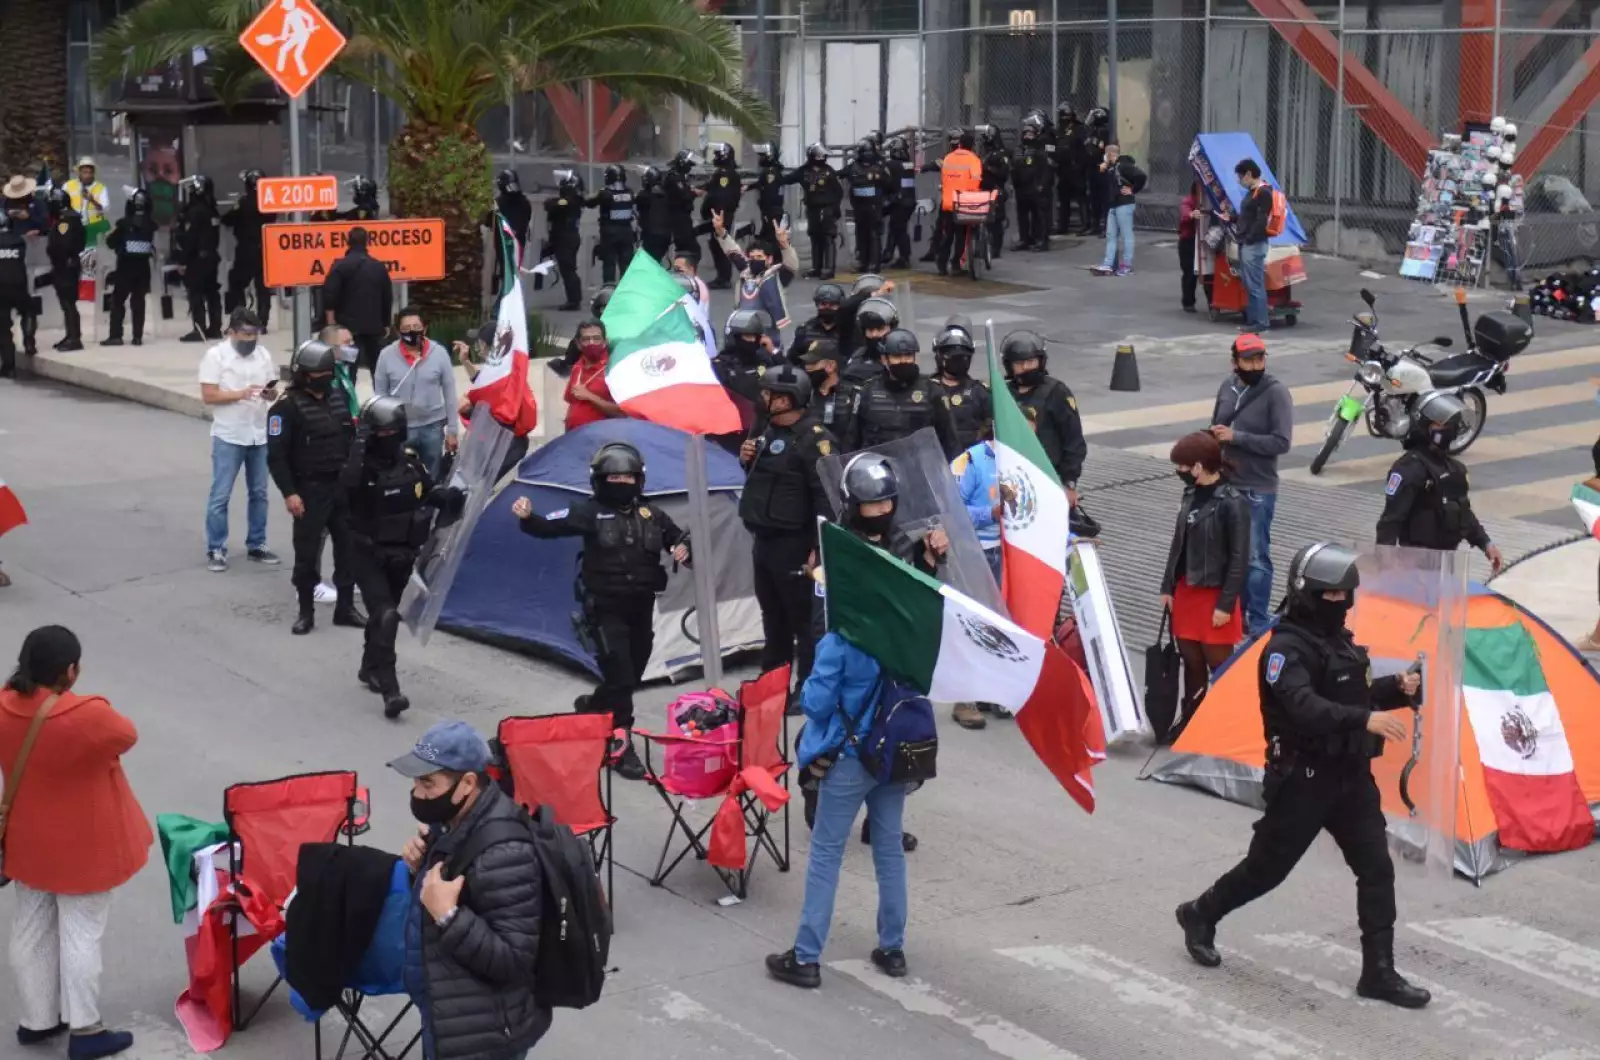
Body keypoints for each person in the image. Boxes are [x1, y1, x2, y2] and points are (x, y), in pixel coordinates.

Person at [1175, 542, 1432, 1010]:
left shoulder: (1339, 641)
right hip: (1304, 779)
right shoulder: (1285, 649)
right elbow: (1305, 707)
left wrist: (1396, 688)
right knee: (1266, 870)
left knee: (1376, 868)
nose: (1338, 603)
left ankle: (1378, 972)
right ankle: (1201, 912)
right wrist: (1364, 719)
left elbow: (1352, 692)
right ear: (1305, 593)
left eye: (1343, 595)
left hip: (1350, 776)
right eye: (1328, 595)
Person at [767, 455, 934, 991]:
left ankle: (806, 957)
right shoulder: (908, 634)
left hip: (845, 755)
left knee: (825, 856)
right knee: (888, 850)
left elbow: (816, 703)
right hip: (893, 749)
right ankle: (893, 947)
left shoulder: (840, 639)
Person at [2, 625, 152, 1059]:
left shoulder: (4, 706)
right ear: (70, 670)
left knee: (31, 927)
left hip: (28, 842)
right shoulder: (87, 715)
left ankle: (37, 1019)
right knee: (81, 934)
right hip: (84, 848)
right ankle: (85, 1029)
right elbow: (127, 735)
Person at [513, 442, 691, 779]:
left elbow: (678, 538)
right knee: (621, 675)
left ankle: (594, 705)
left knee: (630, 676)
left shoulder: (652, 514)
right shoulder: (589, 512)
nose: (622, 483)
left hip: (642, 607)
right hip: (605, 608)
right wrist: (528, 517)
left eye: (627, 477)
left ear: (638, 480)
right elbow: (550, 525)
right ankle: (621, 744)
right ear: (600, 480)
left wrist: (684, 548)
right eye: (614, 478)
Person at [389, 720, 550, 1060]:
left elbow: (514, 960)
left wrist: (449, 916)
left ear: (467, 783)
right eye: (416, 782)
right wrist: (420, 868)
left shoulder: (504, 853)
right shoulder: (455, 822)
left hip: (484, 1036)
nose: (418, 794)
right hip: (452, 1013)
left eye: (428, 783)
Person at [342, 397, 460, 717]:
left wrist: (449, 497)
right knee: (385, 615)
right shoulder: (359, 467)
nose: (387, 438)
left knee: (386, 617)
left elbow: (426, 491)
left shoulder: (409, 463)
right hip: (367, 553)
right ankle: (390, 690)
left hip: (403, 554)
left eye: (391, 432)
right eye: (381, 433)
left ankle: (369, 667)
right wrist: (359, 443)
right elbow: (347, 487)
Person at [739, 363, 836, 706]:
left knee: (802, 621)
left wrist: (819, 549)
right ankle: (772, 681)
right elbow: (764, 480)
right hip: (764, 541)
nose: (762, 398)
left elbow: (827, 498)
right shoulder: (766, 430)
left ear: (786, 399)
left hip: (796, 544)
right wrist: (746, 459)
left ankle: (806, 686)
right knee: (773, 616)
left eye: (769, 394)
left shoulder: (816, 440)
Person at [268, 339, 363, 635]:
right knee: (307, 553)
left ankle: (345, 608)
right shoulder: (285, 408)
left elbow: (350, 440)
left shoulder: (337, 398)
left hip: (341, 487)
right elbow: (276, 457)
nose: (321, 378)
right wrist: (289, 493)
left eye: (325, 373)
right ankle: (306, 613)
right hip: (309, 490)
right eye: (315, 374)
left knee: (348, 548)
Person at [1158, 432, 1251, 733]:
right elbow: (1178, 544)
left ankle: (1225, 726)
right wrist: (1167, 585)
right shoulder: (1189, 495)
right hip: (1187, 590)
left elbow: (1239, 559)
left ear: (1198, 466)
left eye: (1182, 466)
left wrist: (1226, 605)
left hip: (1215, 595)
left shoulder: (1233, 503)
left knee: (1219, 668)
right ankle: (1191, 719)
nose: (1180, 472)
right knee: (1191, 663)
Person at [1209, 333, 1293, 636]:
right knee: (1230, 554)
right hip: (1227, 483)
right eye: (1249, 360)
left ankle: (1257, 620)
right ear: (1235, 362)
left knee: (1256, 556)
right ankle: (1236, 613)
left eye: (1260, 359)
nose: (1256, 365)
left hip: (1258, 487)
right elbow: (1216, 425)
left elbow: (1281, 442)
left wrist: (1237, 437)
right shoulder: (1227, 387)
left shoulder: (1276, 393)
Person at [1375, 391, 1504, 574]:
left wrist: (1486, 544)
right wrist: (1386, 565)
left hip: (1446, 567)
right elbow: (1390, 521)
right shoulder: (1409, 469)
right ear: (1424, 426)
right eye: (1440, 424)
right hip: (1414, 567)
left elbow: (1462, 512)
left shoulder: (1454, 469)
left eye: (1449, 424)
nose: (1447, 429)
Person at [197, 308, 279, 573]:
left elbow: (272, 389)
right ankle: (216, 547)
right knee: (221, 494)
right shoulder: (216, 356)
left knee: (260, 493)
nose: (250, 340)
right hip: (229, 434)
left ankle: (257, 543)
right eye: (245, 334)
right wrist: (240, 394)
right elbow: (209, 395)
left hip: (258, 433)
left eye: (255, 334)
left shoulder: (263, 355)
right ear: (231, 332)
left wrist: (268, 394)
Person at [374, 308, 460, 480]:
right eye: (406, 328)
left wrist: (452, 430)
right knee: (401, 476)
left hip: (432, 427)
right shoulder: (386, 356)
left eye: (416, 327)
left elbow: (450, 392)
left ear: (424, 329)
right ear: (398, 331)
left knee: (432, 476)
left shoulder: (439, 353)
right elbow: (380, 394)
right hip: (400, 428)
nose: (412, 331)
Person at [1002, 331, 1086, 504]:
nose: (1026, 368)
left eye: (1031, 362)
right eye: (1019, 364)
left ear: (1041, 361)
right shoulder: (1002, 394)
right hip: (1012, 479)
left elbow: (1074, 442)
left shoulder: (1056, 392)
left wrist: (1069, 483)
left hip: (1049, 477)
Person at [848, 329, 957, 457]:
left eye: (908, 355)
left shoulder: (933, 391)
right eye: (897, 357)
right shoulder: (867, 391)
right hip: (879, 465)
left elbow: (950, 442)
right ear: (884, 359)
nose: (903, 361)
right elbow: (852, 440)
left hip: (920, 465)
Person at [322, 226, 394, 384]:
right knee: (378, 369)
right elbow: (387, 296)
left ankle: (348, 397)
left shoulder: (340, 266)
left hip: (347, 328)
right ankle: (382, 398)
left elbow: (330, 294)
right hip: (374, 326)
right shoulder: (378, 267)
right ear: (367, 242)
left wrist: (331, 322)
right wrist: (386, 322)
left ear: (348, 242)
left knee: (348, 370)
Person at [714, 213, 798, 345]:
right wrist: (720, 231)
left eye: (759, 257)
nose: (755, 260)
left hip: (767, 337)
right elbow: (733, 251)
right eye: (752, 257)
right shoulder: (746, 272)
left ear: (769, 259)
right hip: (743, 332)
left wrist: (784, 244)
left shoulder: (776, 277)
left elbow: (791, 265)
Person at [713, 309, 781, 449]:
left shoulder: (763, 359)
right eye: (748, 336)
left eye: (756, 337)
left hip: (765, 429)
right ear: (734, 337)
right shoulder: (720, 365)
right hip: (733, 433)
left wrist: (774, 352)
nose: (753, 341)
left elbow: (792, 377)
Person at [101, 190, 157, 348]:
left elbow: (111, 242)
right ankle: (137, 337)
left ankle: (116, 336)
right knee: (138, 302)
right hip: (143, 269)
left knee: (118, 301)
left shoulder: (124, 224)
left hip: (125, 267)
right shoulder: (151, 225)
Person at [926, 128, 983, 276]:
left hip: (948, 203)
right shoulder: (974, 160)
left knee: (948, 235)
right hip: (964, 202)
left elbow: (945, 179)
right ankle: (956, 264)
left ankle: (942, 264)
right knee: (961, 235)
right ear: (972, 146)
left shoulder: (948, 158)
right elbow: (975, 182)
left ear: (960, 144)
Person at [175, 174, 223, 342]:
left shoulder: (194, 212)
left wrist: (182, 260)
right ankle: (215, 327)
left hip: (197, 259)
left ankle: (199, 329)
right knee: (212, 293)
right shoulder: (212, 210)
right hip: (211, 257)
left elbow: (190, 238)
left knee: (196, 293)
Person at [222, 169, 271, 332]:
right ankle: (262, 321)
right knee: (263, 287)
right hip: (266, 249)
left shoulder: (243, 203)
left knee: (236, 282)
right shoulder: (269, 203)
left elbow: (228, 219)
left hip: (246, 250)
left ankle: (241, 319)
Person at [930, 324, 991, 454]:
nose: (958, 361)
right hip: (936, 460)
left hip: (971, 460)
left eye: (963, 357)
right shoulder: (928, 389)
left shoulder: (980, 392)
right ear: (940, 357)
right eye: (952, 356)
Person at [788, 143, 844, 280]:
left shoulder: (829, 171)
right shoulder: (803, 171)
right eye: (820, 156)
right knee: (815, 237)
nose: (823, 158)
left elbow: (838, 192)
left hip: (827, 209)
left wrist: (834, 208)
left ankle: (829, 269)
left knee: (828, 237)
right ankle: (816, 268)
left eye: (824, 156)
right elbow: (787, 179)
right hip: (812, 209)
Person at [1089, 144, 1145, 276]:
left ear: (1110, 154)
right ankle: (1108, 264)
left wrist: (1133, 190)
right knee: (1111, 235)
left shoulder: (1123, 165)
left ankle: (1126, 265)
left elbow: (1141, 176)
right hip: (1113, 204)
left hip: (1124, 204)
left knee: (1126, 235)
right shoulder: (1112, 167)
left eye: (1105, 154)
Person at [43, 188, 86, 353]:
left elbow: (63, 245)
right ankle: (70, 335)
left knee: (68, 303)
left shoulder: (65, 222)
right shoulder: (71, 218)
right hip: (68, 265)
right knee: (67, 303)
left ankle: (74, 338)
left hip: (65, 266)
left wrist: (54, 255)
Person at [1233, 158, 1273, 332]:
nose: (1239, 181)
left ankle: (1261, 322)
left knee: (1255, 284)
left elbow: (1261, 220)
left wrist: (1249, 237)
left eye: (1240, 177)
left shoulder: (1263, 192)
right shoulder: (1253, 192)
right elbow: (1249, 216)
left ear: (1248, 174)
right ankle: (1253, 320)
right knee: (1249, 283)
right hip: (1247, 242)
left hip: (1253, 244)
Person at [799, 338, 861, 450]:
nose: (808, 367)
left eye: (813, 363)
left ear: (831, 366)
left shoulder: (853, 395)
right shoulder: (804, 395)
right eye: (806, 363)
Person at [563, 320, 624, 432]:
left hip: (601, 436)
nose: (592, 343)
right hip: (574, 435)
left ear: (605, 342)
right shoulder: (578, 367)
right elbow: (572, 402)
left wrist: (589, 396)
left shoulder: (613, 370)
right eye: (586, 339)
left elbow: (622, 412)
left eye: (596, 338)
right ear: (578, 344)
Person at [699, 143, 743, 289]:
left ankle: (724, 278)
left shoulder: (726, 174)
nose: (715, 157)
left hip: (722, 215)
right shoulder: (723, 172)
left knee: (721, 245)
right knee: (716, 244)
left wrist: (711, 208)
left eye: (718, 155)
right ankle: (722, 276)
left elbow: (719, 196)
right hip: (719, 215)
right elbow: (712, 187)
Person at [843, 138, 889, 274]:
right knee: (861, 234)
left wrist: (886, 199)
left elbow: (889, 183)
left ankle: (874, 264)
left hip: (874, 206)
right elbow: (840, 174)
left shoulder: (880, 165)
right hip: (859, 206)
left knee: (874, 234)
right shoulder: (854, 166)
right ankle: (863, 262)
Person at [587, 164, 637, 285]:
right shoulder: (630, 192)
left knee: (609, 263)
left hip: (610, 233)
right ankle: (627, 290)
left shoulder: (605, 193)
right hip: (627, 232)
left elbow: (589, 203)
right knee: (626, 264)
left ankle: (608, 289)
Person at [544, 171, 584, 311]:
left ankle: (574, 300)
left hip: (566, 238)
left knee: (568, 270)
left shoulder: (571, 201)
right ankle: (573, 299)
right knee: (567, 269)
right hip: (565, 238)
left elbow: (553, 204)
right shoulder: (573, 200)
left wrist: (553, 202)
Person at [1012, 114, 1052, 253]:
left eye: (1030, 134)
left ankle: (1041, 241)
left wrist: (1041, 185)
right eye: (1026, 134)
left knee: (1039, 216)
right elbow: (1014, 167)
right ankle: (1024, 239)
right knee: (1022, 216)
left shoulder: (1040, 150)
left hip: (1035, 187)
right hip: (1021, 188)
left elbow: (1046, 170)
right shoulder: (1019, 150)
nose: (1028, 136)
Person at [841, 295, 899, 386]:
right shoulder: (858, 358)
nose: (874, 334)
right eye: (870, 330)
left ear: (891, 329)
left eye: (880, 329)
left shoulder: (902, 354)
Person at [1055, 103, 1091, 235]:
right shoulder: (1059, 130)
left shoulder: (1079, 129)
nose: (1063, 118)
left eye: (1065, 115)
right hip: (1063, 170)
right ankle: (1062, 226)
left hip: (1076, 169)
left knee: (1081, 197)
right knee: (1064, 199)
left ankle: (1086, 224)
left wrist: (1080, 165)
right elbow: (1054, 147)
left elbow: (1086, 148)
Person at [977, 126, 1012, 260]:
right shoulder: (982, 152)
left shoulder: (1001, 153)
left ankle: (996, 249)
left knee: (996, 220)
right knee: (981, 219)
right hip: (982, 189)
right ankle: (982, 247)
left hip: (996, 189)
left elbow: (1004, 173)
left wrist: (988, 168)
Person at [882, 137, 917, 269]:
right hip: (909, 201)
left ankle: (904, 258)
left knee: (899, 230)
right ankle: (888, 253)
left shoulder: (891, 165)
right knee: (896, 227)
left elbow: (886, 182)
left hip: (899, 201)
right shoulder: (909, 164)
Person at [0, 213, 27, 378]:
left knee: (3, 329)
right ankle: (29, 344)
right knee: (29, 314)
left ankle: (9, 366)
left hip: (1, 290)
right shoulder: (18, 241)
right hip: (19, 287)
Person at [663, 150, 702, 266]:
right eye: (689, 165)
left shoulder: (679, 176)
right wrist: (694, 193)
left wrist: (691, 190)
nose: (690, 168)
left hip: (682, 217)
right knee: (689, 249)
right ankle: (682, 270)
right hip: (678, 218)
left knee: (690, 249)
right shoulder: (674, 178)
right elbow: (684, 196)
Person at [749, 143, 787, 244]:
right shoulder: (773, 171)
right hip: (772, 211)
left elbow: (769, 191)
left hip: (771, 211)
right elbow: (760, 183)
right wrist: (747, 187)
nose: (760, 159)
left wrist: (765, 207)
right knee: (767, 236)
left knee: (770, 239)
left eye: (763, 156)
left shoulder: (770, 172)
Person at [636, 165, 674, 264]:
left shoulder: (643, 195)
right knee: (656, 262)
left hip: (652, 236)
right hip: (666, 236)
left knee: (648, 264)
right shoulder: (666, 194)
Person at [1082, 108, 1111, 235]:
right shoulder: (1092, 131)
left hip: (1101, 167)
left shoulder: (1104, 132)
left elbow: (1100, 149)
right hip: (1092, 167)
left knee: (1104, 198)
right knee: (1094, 199)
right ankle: (1095, 225)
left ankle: (1106, 227)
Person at [62, 158, 107, 235]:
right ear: (79, 173)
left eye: (90, 172)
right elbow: (61, 205)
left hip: (93, 227)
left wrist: (92, 201)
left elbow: (104, 208)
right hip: (72, 227)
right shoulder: (68, 186)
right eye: (85, 172)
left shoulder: (101, 188)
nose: (88, 175)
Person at [1179, 181, 1203, 312]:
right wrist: (1191, 214)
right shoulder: (1189, 200)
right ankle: (1188, 302)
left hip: (1204, 239)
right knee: (1189, 272)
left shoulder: (1209, 200)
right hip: (1189, 240)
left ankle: (1212, 302)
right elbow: (1185, 213)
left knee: (1208, 272)